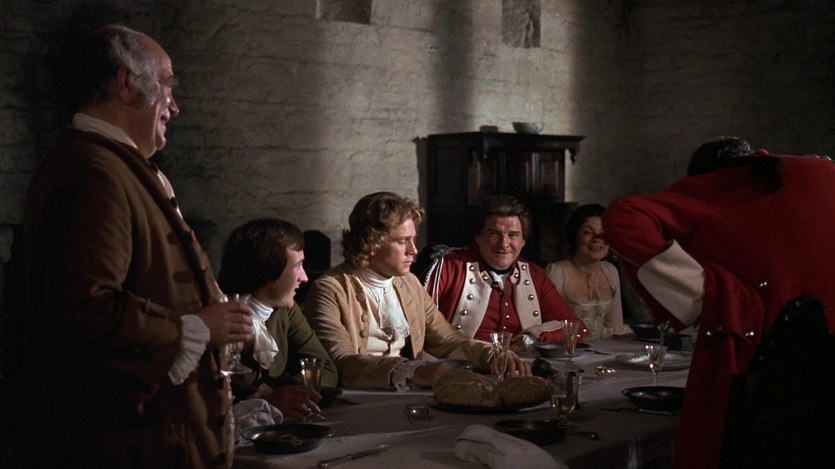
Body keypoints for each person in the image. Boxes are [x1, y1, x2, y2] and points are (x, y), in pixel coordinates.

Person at [21, 25, 252, 468]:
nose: (175, 106)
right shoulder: (94, 172)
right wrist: (197, 328)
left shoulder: (116, 166)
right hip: (133, 446)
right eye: (166, 85)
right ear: (126, 83)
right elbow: (84, 310)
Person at [602, 136, 835, 469]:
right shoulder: (818, 170)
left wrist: (710, 294)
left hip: (768, 355)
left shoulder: (720, 185)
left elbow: (623, 216)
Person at [304, 192, 530, 390]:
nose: (413, 250)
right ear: (371, 243)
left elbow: (447, 341)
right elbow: (341, 361)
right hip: (356, 401)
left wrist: (491, 354)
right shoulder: (330, 290)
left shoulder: (408, 283)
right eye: (403, 241)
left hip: (406, 396)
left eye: (413, 239)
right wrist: (412, 371)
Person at [218, 218, 338, 422]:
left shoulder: (285, 311)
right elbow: (211, 389)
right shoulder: (218, 314)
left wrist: (283, 393)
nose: (305, 277)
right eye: (298, 266)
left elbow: (325, 369)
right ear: (267, 270)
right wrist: (264, 398)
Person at [423, 194, 579, 349]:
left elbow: (574, 327)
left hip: (523, 362)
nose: (504, 243)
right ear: (478, 236)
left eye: (513, 235)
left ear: (523, 241)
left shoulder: (534, 275)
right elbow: (420, 323)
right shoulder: (449, 268)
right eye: (494, 234)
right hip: (463, 362)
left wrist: (531, 338)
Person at [544, 204, 632, 339]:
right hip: (566, 349)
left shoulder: (610, 271)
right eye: (587, 232)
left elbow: (615, 327)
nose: (597, 238)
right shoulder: (556, 272)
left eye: (603, 232)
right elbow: (548, 328)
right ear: (575, 236)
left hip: (604, 349)